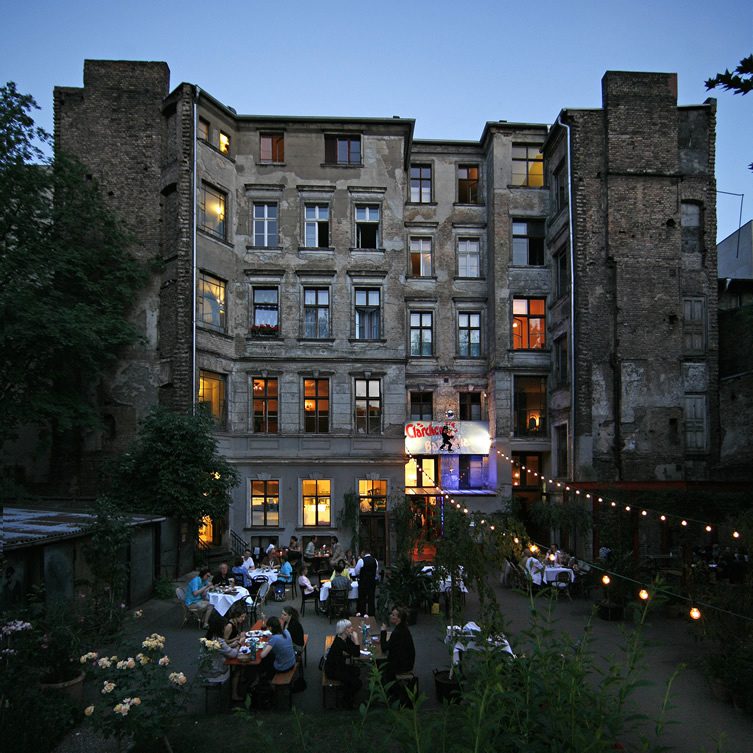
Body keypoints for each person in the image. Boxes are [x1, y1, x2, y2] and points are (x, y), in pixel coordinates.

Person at [204, 609, 244, 701]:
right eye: (224, 627)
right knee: (237, 669)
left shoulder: (208, 638)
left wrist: (231, 645)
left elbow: (222, 649)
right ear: (220, 628)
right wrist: (239, 643)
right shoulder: (219, 640)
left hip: (204, 670)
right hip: (215, 672)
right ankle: (234, 694)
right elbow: (233, 654)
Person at [324, 618, 362, 706]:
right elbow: (356, 653)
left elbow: (353, 650)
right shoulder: (339, 643)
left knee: (357, 671)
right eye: (349, 627)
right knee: (358, 683)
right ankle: (346, 700)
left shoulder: (343, 638)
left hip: (338, 666)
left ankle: (346, 688)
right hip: (333, 670)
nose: (352, 628)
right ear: (344, 630)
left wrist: (353, 640)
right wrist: (356, 638)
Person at [380, 606, 416, 689]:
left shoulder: (397, 632)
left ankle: (390, 689)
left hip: (402, 665)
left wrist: (383, 631)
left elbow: (384, 647)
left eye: (393, 615)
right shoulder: (403, 629)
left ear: (399, 619)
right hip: (407, 662)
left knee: (381, 665)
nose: (391, 616)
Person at [256, 615, 296, 683]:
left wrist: (265, 646)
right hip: (292, 662)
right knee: (271, 655)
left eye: (268, 628)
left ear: (271, 628)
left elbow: (262, 655)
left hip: (282, 667)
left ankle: (264, 678)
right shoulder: (286, 632)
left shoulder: (274, 639)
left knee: (264, 660)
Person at [355, 549, 378, 615]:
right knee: (371, 598)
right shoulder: (375, 560)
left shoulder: (361, 560)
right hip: (372, 582)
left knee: (362, 598)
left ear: (363, 553)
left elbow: (356, 571)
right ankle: (371, 613)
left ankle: (362, 613)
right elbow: (376, 571)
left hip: (363, 582)